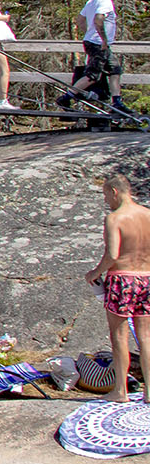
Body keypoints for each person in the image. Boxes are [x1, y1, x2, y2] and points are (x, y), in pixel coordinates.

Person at [84, 172, 150, 403]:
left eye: (105, 195)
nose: (106, 201)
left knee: (119, 336)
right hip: (147, 278)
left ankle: (120, 391)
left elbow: (113, 254)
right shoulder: (148, 214)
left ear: (114, 192)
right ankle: (149, 392)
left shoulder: (114, 218)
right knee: (146, 336)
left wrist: (95, 273)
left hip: (122, 279)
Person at [61, 0, 125, 113]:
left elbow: (80, 20)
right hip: (99, 44)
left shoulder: (92, 1)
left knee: (115, 70)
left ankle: (117, 101)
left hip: (94, 42)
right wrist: (104, 39)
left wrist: (88, 33)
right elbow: (98, 19)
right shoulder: (105, 1)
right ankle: (66, 97)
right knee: (93, 75)